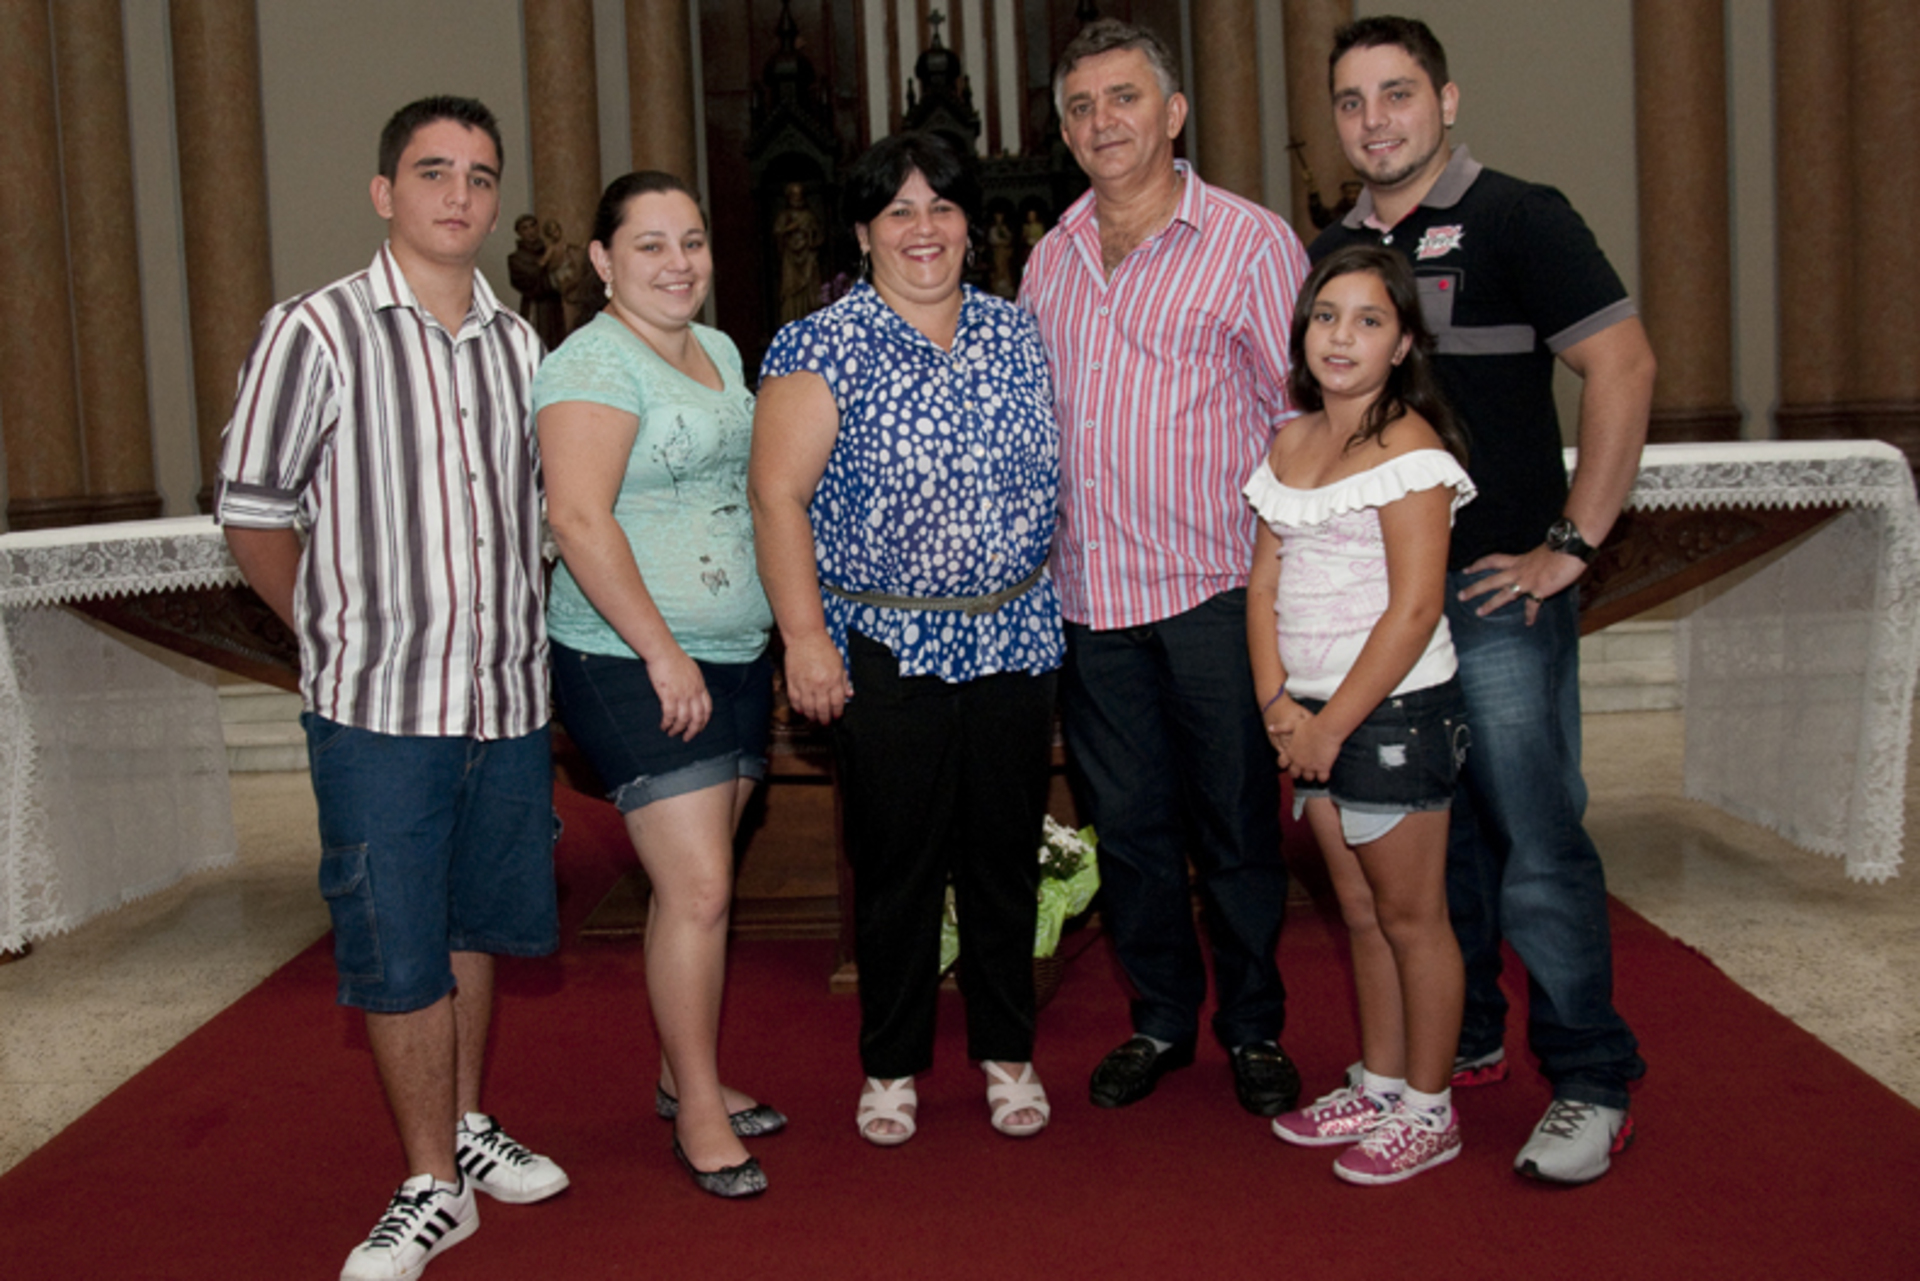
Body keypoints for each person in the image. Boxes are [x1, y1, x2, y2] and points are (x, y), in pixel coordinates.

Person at [216, 96, 567, 1281]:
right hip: (379, 706)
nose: (458, 194)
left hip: (504, 702)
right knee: (398, 940)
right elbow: (254, 512)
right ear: (384, 192)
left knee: (472, 925)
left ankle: (461, 1129)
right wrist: (328, 630)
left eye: (480, 175)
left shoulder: (520, 347)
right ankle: (429, 1187)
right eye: (432, 171)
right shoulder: (314, 331)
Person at [1313, 15, 1655, 1184]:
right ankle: (1455, 1044)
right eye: (1352, 101)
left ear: (1446, 101)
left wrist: (1574, 542)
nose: (1375, 121)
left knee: (1534, 839)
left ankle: (1592, 1078)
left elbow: (1623, 364)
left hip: (1496, 589)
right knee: (1427, 839)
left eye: (1397, 93)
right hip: (1382, 604)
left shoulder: (1520, 217)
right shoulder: (1335, 247)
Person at [750, 131, 1064, 1147]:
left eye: (942, 207)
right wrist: (806, 640)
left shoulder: (1017, 333)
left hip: (1013, 636)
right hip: (885, 644)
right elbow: (776, 495)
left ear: (971, 224)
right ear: (862, 231)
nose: (922, 229)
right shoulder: (820, 344)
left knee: (1005, 857)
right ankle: (890, 1062)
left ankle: (1007, 1049)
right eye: (898, 211)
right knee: (897, 865)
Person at [1019, 18, 1309, 1117]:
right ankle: (1160, 1020)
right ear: (1064, 132)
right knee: (1131, 831)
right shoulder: (1049, 256)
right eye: (1082, 106)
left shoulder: (1251, 242)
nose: (1104, 121)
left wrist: (1288, 586)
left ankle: (1254, 1026)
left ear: (1174, 112)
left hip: (1216, 594)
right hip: (1091, 603)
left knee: (1235, 827)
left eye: (1125, 97)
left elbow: (1299, 420)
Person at [537, 171, 781, 1199]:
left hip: (737, 651)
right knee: (701, 888)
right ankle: (701, 1110)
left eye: (692, 241)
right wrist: (662, 652)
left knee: (696, 887)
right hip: (632, 658)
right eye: (650, 245)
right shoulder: (588, 364)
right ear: (603, 260)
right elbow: (577, 518)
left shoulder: (719, 348)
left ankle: (686, 1074)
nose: (678, 263)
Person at [1250, 245, 1474, 1185]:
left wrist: (1330, 725)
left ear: (1403, 343)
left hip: (1390, 715)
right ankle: (1381, 1083)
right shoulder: (1291, 442)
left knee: (1413, 917)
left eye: (1369, 320)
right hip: (1309, 714)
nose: (1342, 337)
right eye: (1326, 315)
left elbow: (1414, 609)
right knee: (1358, 911)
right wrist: (1275, 701)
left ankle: (1430, 1107)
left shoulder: (1410, 450)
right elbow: (1264, 583)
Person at [507, 214, 567, 350]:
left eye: (532, 226)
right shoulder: (516, 258)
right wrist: (544, 260)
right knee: (535, 343)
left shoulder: (550, 249)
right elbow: (527, 279)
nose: (530, 231)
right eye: (525, 228)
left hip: (554, 305)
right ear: (519, 233)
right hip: (535, 306)